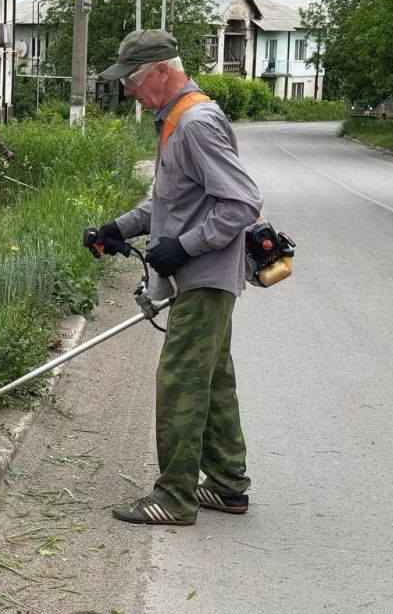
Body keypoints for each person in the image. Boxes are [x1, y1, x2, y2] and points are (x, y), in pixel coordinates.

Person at [96, 29, 263, 526]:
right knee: (212, 379)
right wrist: (119, 227)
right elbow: (173, 199)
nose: (127, 90)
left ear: (162, 71)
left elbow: (242, 202)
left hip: (205, 275)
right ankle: (229, 486)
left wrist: (183, 247)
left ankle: (174, 497)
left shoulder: (194, 122)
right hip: (204, 276)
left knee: (181, 383)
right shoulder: (174, 120)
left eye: (131, 79)